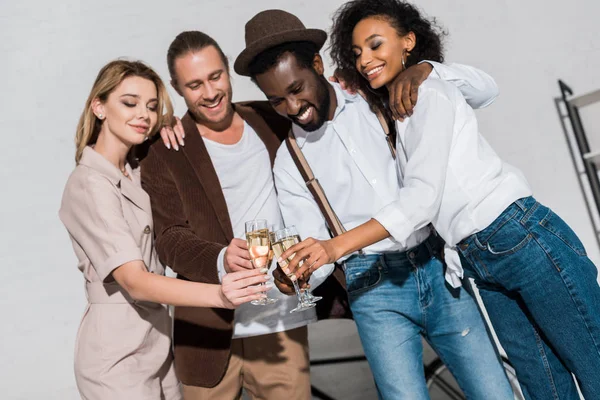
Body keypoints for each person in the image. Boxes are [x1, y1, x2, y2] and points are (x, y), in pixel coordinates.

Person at [281, 0, 600, 398]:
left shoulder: (427, 90)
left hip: (516, 234)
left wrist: (428, 67)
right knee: (544, 387)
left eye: (376, 45)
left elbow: (421, 201)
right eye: (358, 53)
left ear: (408, 42)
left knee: (593, 363)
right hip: (479, 259)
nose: (366, 60)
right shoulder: (398, 109)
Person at [236, 9, 515, 400]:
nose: (292, 106)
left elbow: (486, 90)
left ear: (317, 64)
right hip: (372, 287)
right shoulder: (289, 161)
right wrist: (291, 278)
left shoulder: (374, 92)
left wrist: (427, 70)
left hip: (437, 265)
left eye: (297, 89)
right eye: (277, 100)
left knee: (494, 393)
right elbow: (317, 251)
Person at [59, 60, 270, 400]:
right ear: (98, 106)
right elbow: (134, 282)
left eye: (152, 106)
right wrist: (219, 295)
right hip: (115, 356)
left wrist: (168, 125)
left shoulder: (136, 171)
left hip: (158, 346)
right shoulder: (89, 184)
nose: (143, 113)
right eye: (129, 103)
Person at [140, 31, 324, 400]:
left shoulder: (270, 117)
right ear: (177, 89)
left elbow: (321, 98)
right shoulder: (166, 149)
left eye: (215, 77)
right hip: (206, 332)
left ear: (227, 71)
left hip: (280, 323)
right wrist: (222, 258)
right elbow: (170, 238)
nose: (209, 93)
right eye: (194, 85)